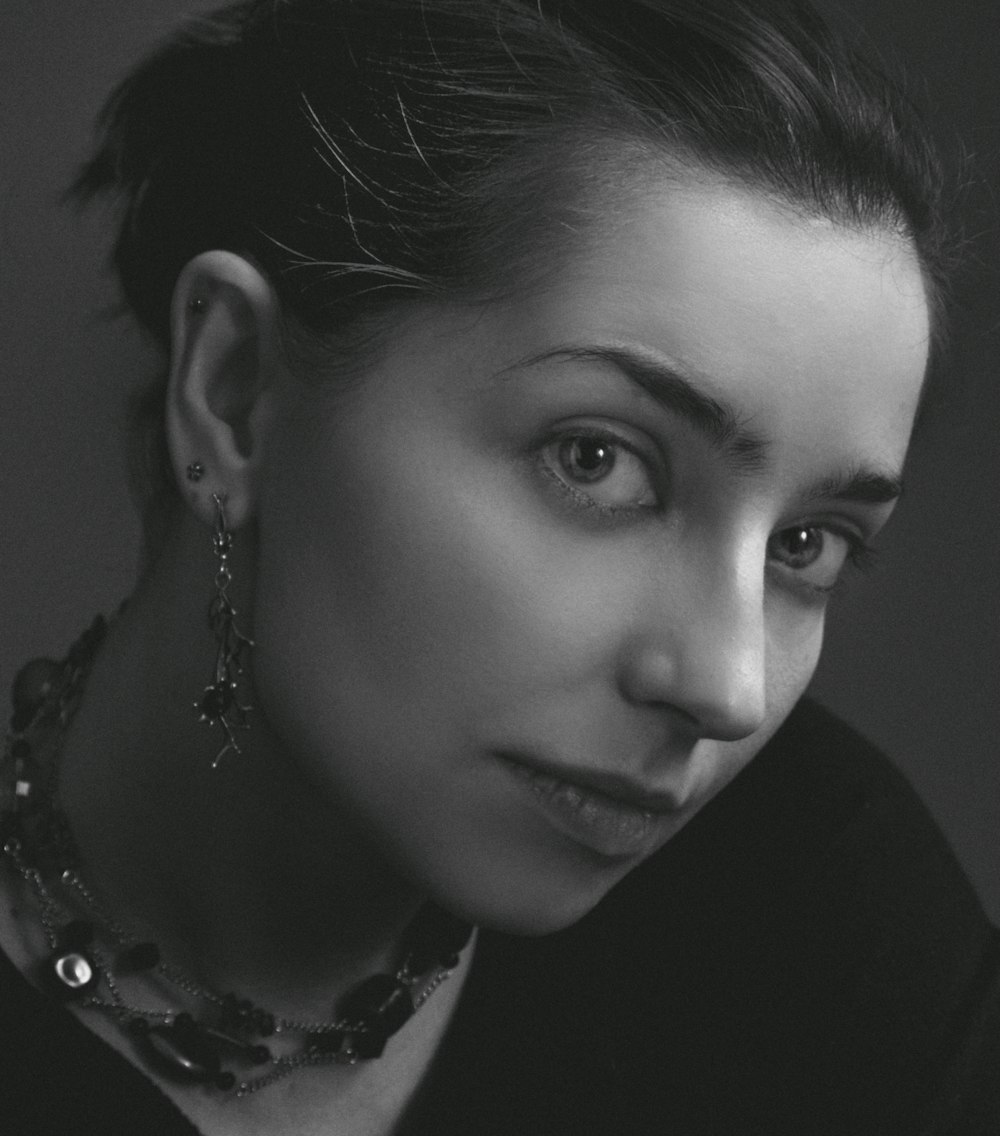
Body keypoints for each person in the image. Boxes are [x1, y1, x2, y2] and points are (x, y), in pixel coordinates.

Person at [1, 0, 997, 1132]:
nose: (728, 688)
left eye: (806, 545)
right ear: (234, 392)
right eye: (599, 461)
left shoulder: (814, 908)